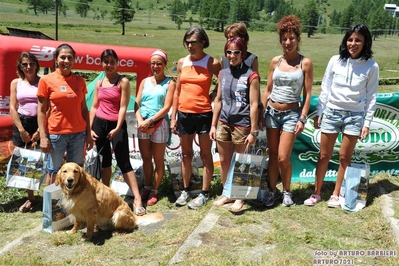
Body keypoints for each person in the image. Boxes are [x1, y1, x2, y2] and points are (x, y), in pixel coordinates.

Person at [304, 24, 379, 207]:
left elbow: (371, 97)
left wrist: (366, 123)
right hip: (331, 112)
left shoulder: (371, 66)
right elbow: (325, 88)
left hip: (354, 116)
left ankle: (336, 195)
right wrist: (320, 112)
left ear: (365, 42)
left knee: (345, 158)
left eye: (358, 40)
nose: (353, 43)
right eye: (350, 39)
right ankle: (316, 193)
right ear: (346, 41)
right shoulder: (335, 60)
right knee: (324, 155)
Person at [261, 15, 313, 207]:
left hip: (292, 114)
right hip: (272, 113)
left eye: (291, 38)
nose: (288, 42)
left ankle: (287, 191)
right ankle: (273, 191)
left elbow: (307, 94)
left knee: (284, 156)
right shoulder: (275, 61)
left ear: (298, 39)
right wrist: (260, 112)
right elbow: (267, 89)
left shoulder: (305, 63)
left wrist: (302, 118)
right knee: (272, 155)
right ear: (280, 40)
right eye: (284, 38)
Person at [170, 26, 221, 209]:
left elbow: (223, 79)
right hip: (184, 114)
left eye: (193, 42)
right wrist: (174, 117)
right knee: (186, 155)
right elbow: (177, 91)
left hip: (204, 114)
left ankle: (205, 193)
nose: (190, 46)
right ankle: (185, 189)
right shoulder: (182, 62)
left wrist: (214, 95)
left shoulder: (211, 62)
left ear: (203, 42)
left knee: (206, 156)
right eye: (187, 42)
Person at [90, 49, 145, 215]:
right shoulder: (99, 83)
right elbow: (94, 107)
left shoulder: (123, 82)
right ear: (101, 63)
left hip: (117, 125)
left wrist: (117, 127)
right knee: (105, 162)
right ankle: (105, 197)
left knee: (123, 162)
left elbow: (123, 107)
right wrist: (91, 128)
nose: (109, 65)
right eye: (106, 62)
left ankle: (137, 199)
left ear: (117, 63)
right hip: (100, 124)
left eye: (112, 62)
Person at [210, 37, 260, 212]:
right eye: (229, 52)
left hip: (242, 124)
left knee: (242, 162)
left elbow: (254, 105)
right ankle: (227, 193)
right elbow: (218, 100)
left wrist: (254, 130)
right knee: (224, 161)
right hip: (223, 122)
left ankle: (240, 197)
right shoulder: (222, 73)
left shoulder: (251, 76)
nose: (232, 55)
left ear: (243, 53)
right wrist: (213, 125)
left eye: (236, 52)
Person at [37, 43, 93, 186]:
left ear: (74, 60)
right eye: (63, 57)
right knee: (55, 171)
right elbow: (41, 111)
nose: (66, 61)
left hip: (78, 134)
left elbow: (84, 110)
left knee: (76, 170)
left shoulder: (80, 81)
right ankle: (52, 206)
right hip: (56, 134)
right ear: (56, 59)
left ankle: (73, 206)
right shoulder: (46, 80)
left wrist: (88, 134)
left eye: (70, 58)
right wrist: (43, 137)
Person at [135, 49, 175, 206]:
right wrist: (140, 120)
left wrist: (150, 121)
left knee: (158, 160)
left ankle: (155, 191)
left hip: (159, 124)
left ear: (165, 64)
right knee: (146, 158)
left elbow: (167, 107)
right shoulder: (144, 82)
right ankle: (147, 186)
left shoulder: (170, 83)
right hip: (143, 123)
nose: (155, 66)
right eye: (153, 63)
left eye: (159, 63)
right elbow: (137, 102)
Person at [9, 52, 41, 212]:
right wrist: (21, 129)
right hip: (22, 123)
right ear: (20, 67)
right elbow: (12, 108)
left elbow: (48, 109)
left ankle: (50, 193)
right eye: (25, 64)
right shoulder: (16, 83)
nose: (28, 67)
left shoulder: (43, 82)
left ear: (37, 65)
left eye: (31, 64)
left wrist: (40, 130)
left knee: (45, 159)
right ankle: (31, 197)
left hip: (40, 122)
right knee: (26, 161)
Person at [210, 22, 258, 101]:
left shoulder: (252, 59)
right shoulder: (224, 59)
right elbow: (221, 80)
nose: (229, 40)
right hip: (227, 102)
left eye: (232, 37)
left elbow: (255, 85)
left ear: (242, 39)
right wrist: (215, 91)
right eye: (227, 38)